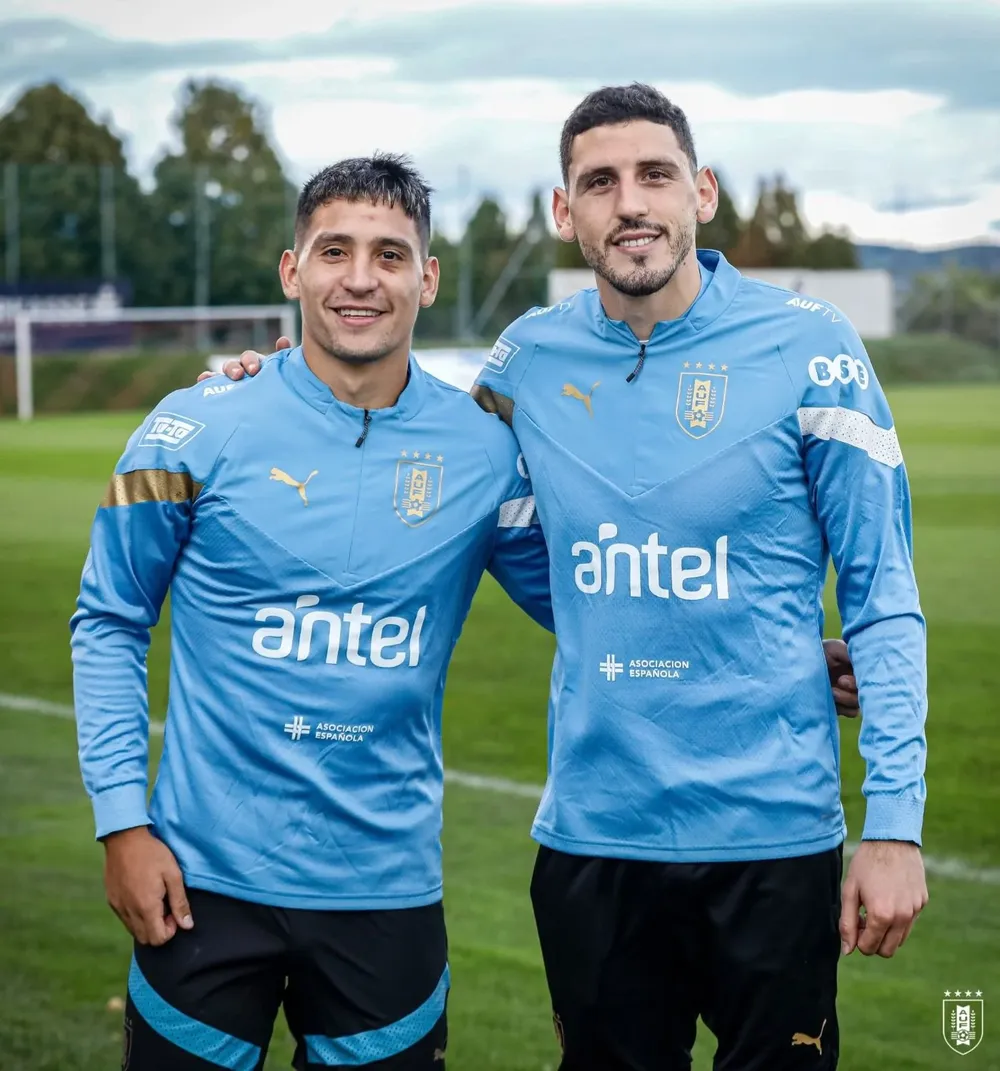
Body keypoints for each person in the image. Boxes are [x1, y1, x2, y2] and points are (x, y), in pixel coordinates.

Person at [472, 84, 929, 1070]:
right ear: (565, 213)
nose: (628, 202)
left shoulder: (812, 347)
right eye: (598, 182)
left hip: (773, 840)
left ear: (701, 193)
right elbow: (455, 494)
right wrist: (260, 376)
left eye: (653, 176)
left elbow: (881, 592)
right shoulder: (525, 360)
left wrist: (893, 826)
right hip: (594, 840)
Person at [70, 153, 553, 1071]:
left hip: (386, 888)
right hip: (201, 883)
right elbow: (108, 620)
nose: (362, 278)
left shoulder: (487, 454)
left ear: (427, 276)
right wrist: (122, 826)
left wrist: (779, 654)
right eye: (335, 251)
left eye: (390, 254)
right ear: (294, 271)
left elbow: (599, 605)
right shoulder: (195, 425)